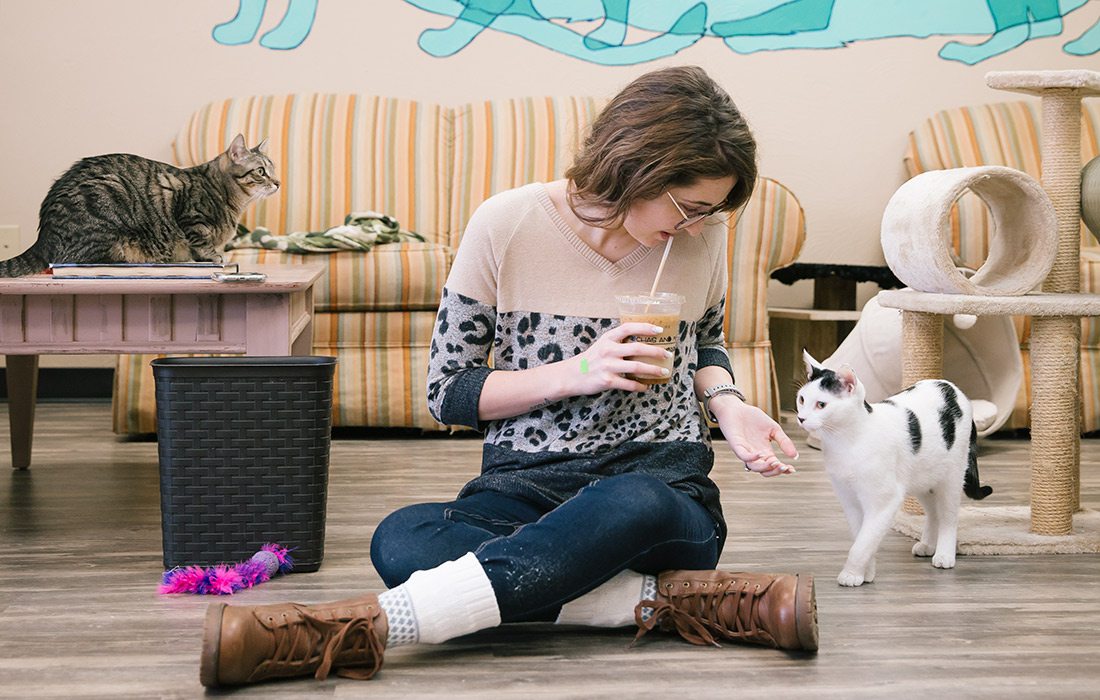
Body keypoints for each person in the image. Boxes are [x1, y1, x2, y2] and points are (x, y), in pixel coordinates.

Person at [197, 65, 816, 688]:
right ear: (637, 167)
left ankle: (355, 629)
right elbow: (449, 392)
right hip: (523, 491)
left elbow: (705, 342)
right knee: (401, 538)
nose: (699, 227)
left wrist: (730, 404)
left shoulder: (700, 238)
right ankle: (658, 602)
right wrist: (580, 370)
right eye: (690, 208)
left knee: (633, 499)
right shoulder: (507, 224)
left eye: (712, 212)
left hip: (659, 494)